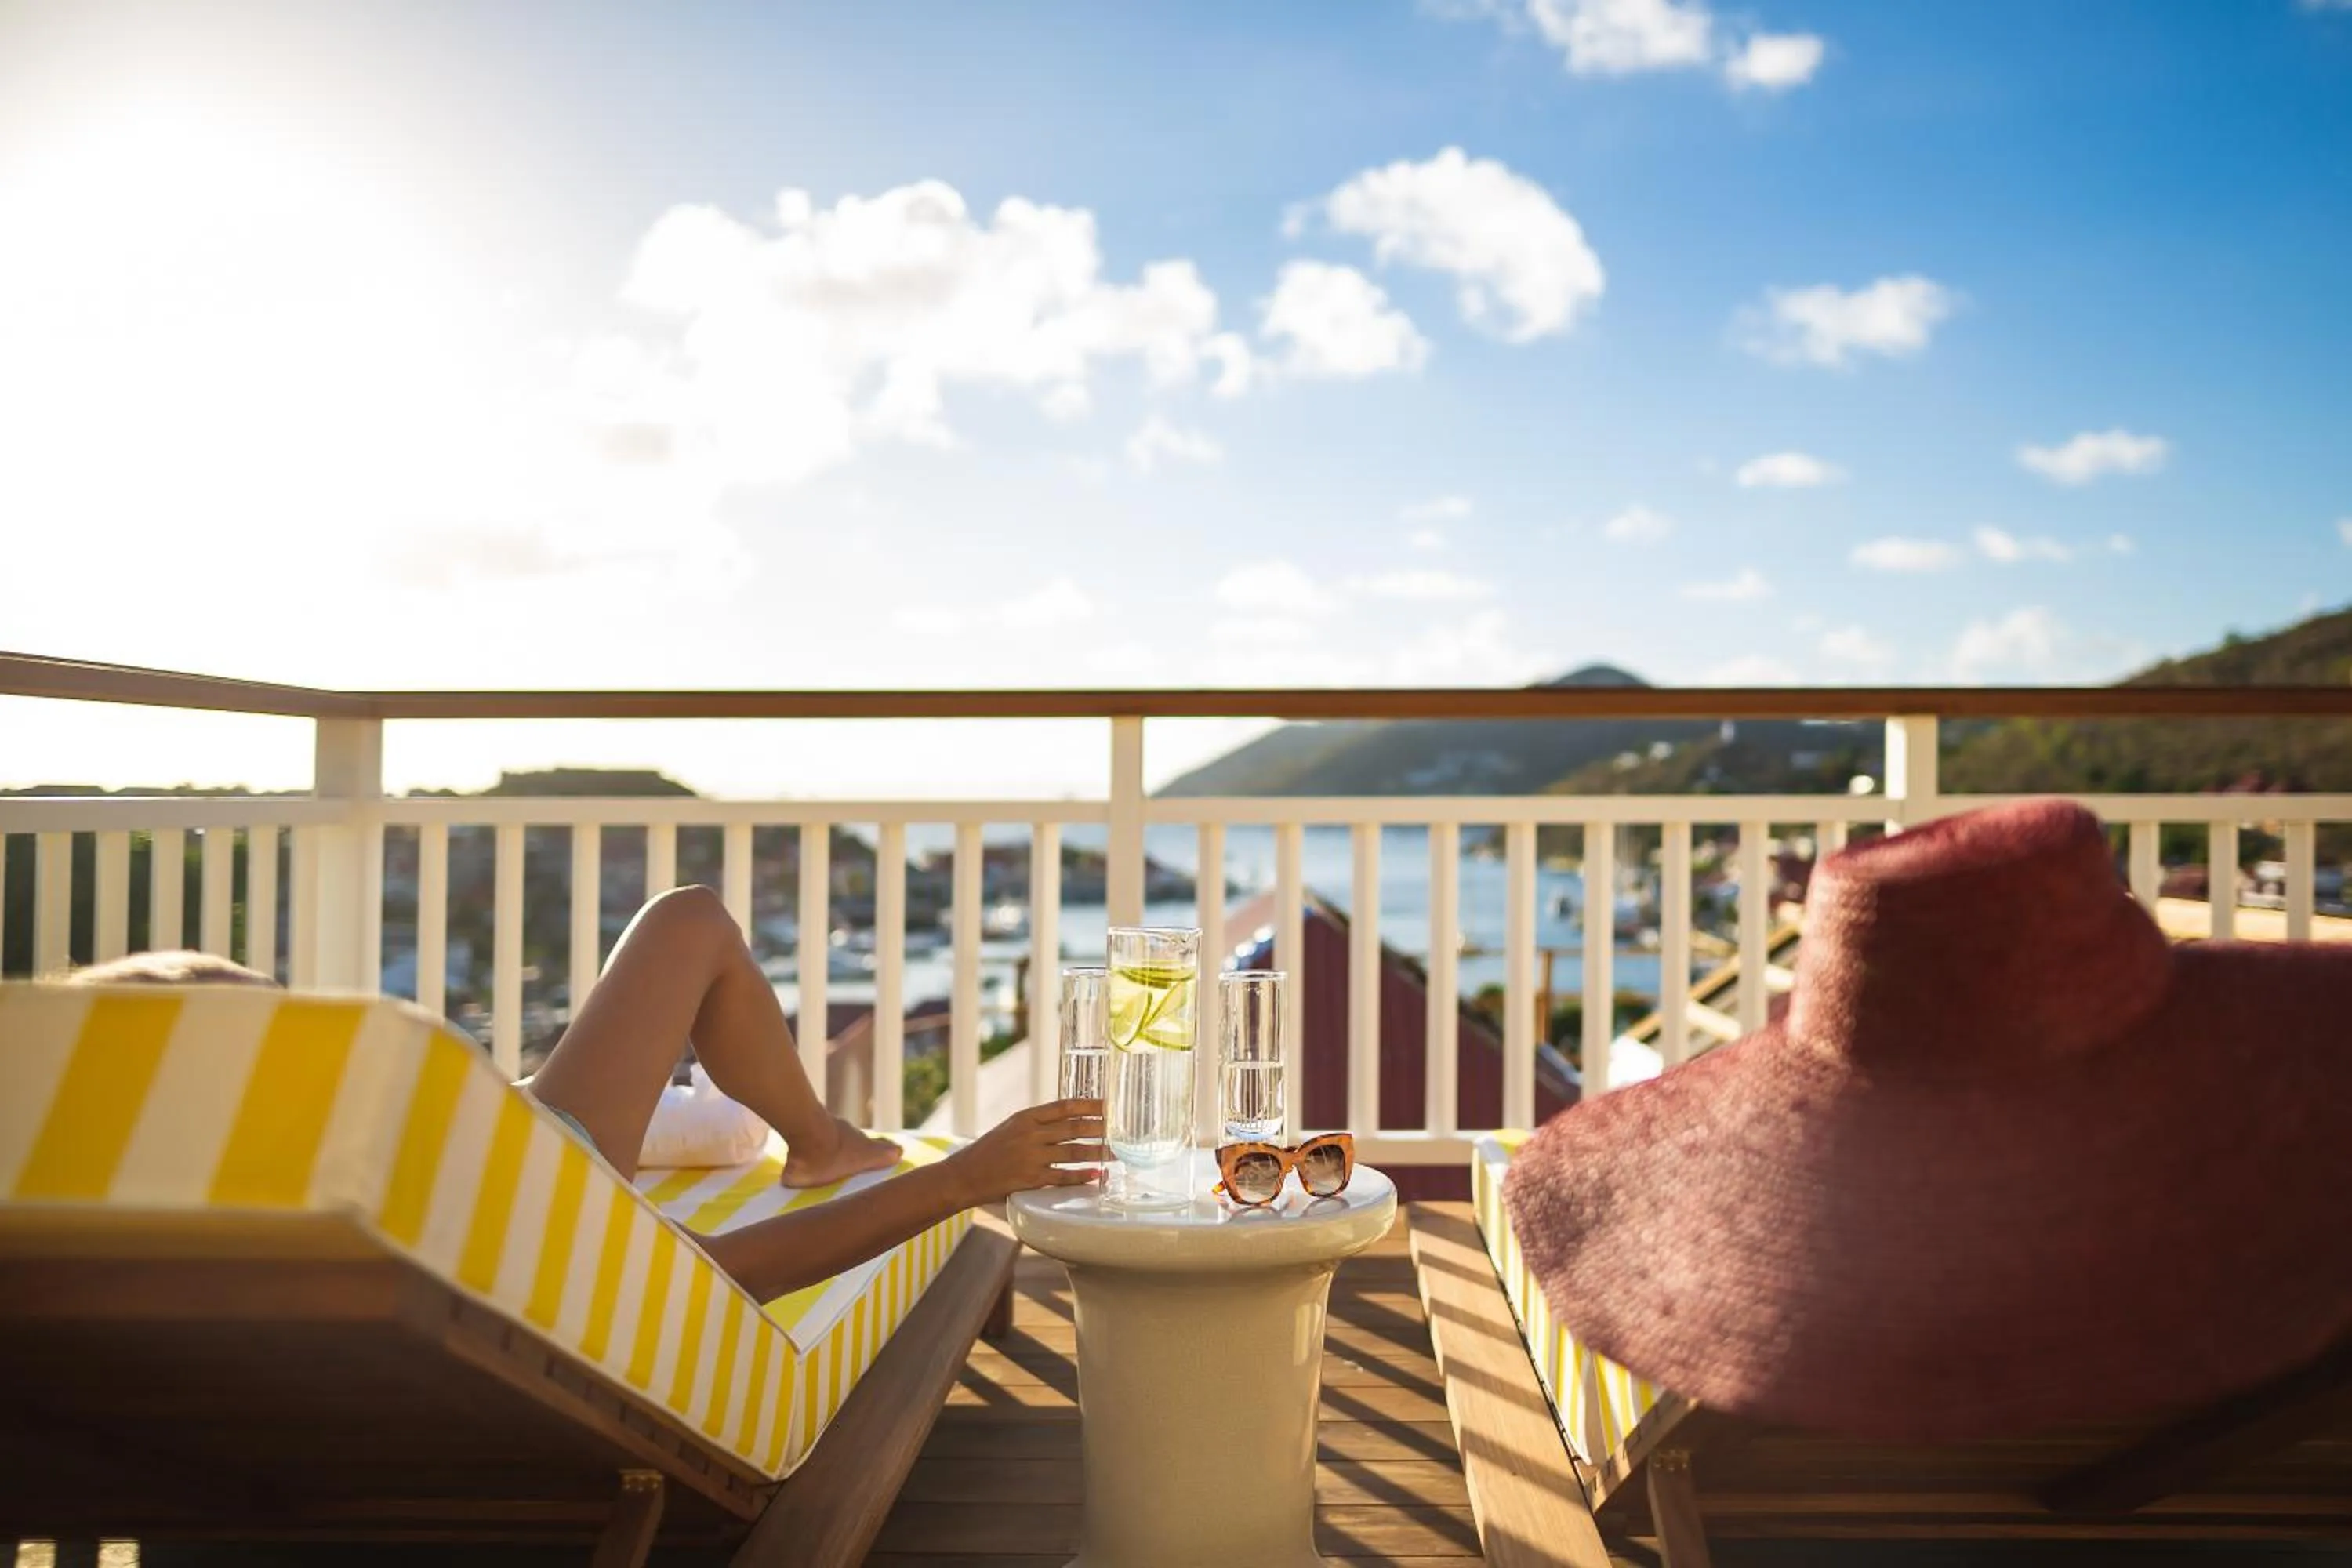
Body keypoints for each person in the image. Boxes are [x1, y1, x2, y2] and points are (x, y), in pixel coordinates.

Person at [66, 884, 1104, 1302]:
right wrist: (966, 1176)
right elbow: (702, 1279)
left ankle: (822, 1138)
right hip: (513, 1163)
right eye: (288, 1029)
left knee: (687, 924)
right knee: (690, 922)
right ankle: (824, 1142)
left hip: (469, 1138)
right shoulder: (407, 1216)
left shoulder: (111, 1211)